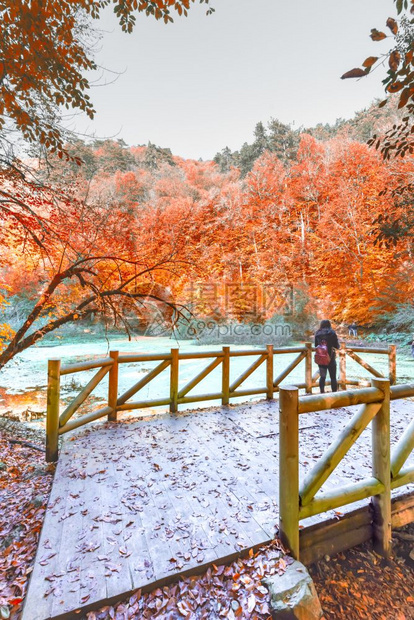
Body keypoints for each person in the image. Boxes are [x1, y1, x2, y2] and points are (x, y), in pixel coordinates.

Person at [315, 319, 340, 393]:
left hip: (321, 357)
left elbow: (316, 345)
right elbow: (336, 346)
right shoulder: (332, 333)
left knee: (322, 377)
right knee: (333, 377)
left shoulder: (318, 333)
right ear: (329, 324)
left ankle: (322, 392)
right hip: (331, 357)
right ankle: (334, 393)